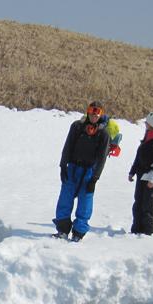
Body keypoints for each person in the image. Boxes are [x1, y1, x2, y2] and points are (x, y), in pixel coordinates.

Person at [53, 101, 111, 241]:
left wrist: (95, 178)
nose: (94, 115)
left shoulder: (103, 133)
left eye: (97, 113)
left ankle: (78, 232)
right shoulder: (77, 127)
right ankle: (63, 229)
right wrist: (63, 166)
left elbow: (102, 158)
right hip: (72, 168)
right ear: (88, 112)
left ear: (101, 114)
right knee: (65, 199)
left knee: (85, 203)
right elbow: (68, 146)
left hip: (89, 172)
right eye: (92, 112)